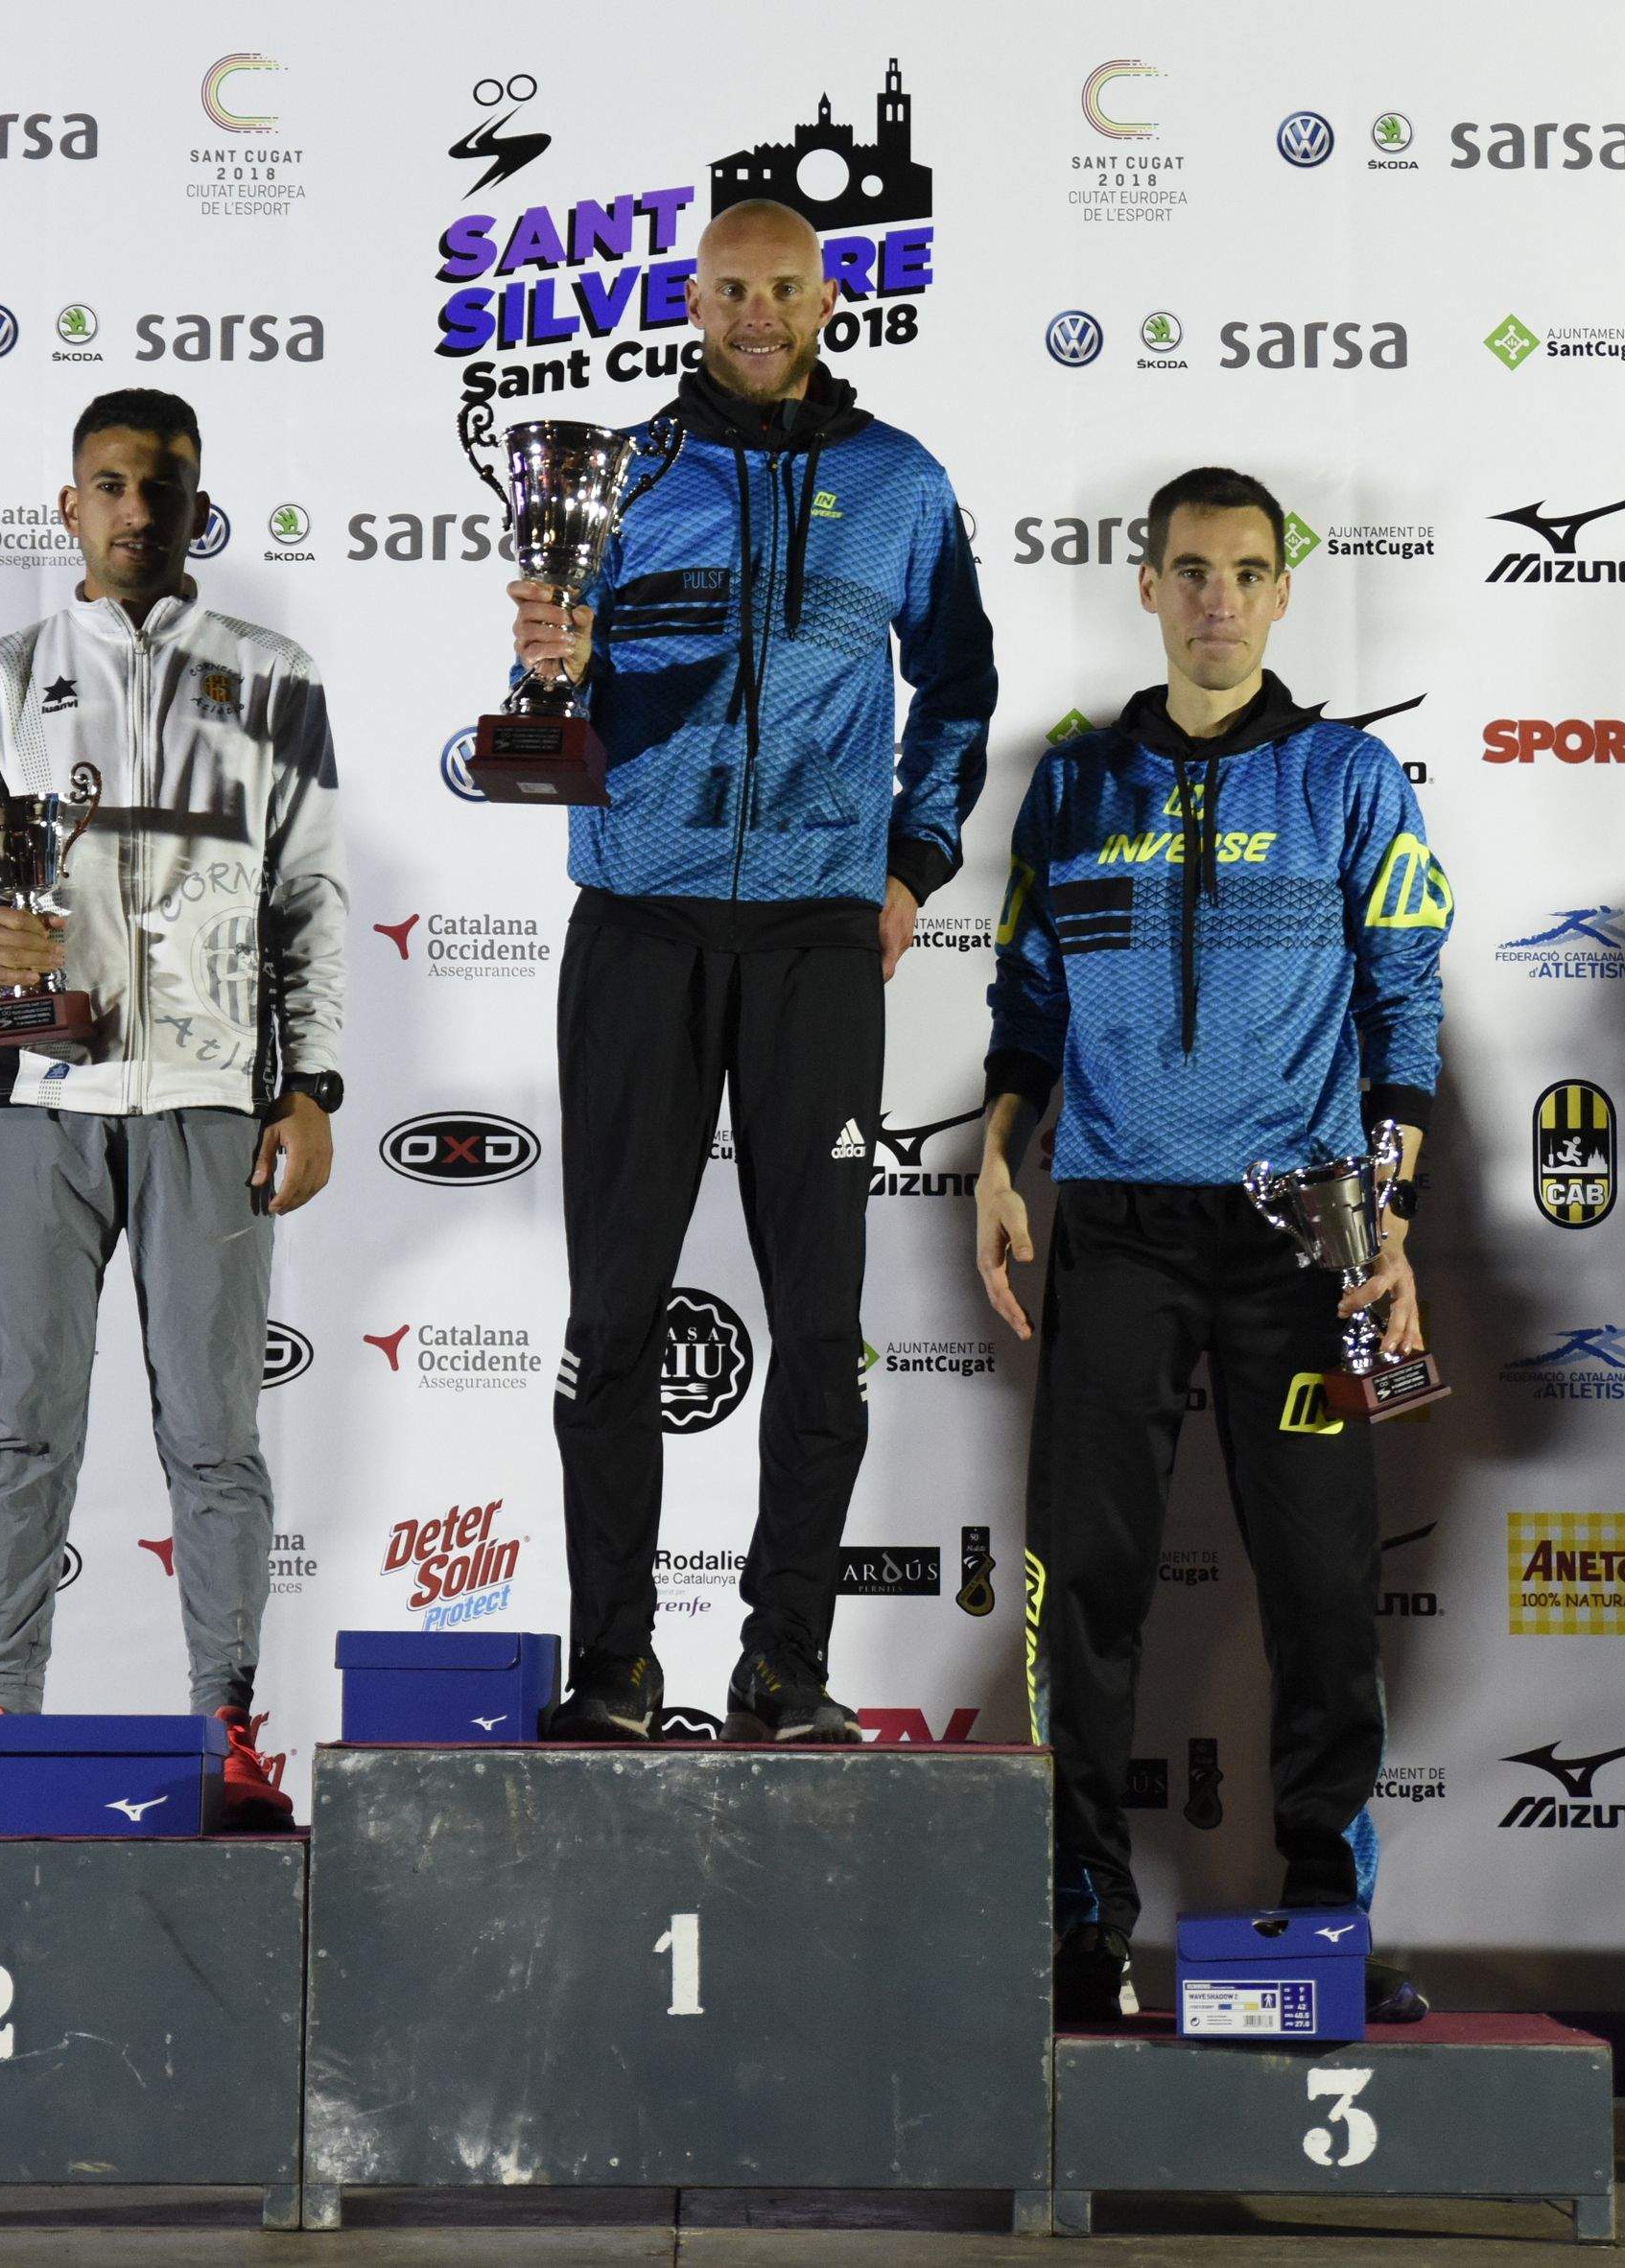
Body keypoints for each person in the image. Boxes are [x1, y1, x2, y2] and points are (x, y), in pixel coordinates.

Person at [506, 198, 995, 1742]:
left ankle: (786, 1660)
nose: (758, 312)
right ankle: (614, 1663)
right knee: (612, 1316)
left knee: (823, 1324)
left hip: (813, 939)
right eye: (731, 288)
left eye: (785, 286)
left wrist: (912, 863)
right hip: (638, 920)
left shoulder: (900, 481)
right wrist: (551, 672)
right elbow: (551, 710)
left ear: (830, 297)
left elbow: (962, 684)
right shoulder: (624, 472)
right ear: (695, 298)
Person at [973, 465, 1448, 2024]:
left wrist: (1389, 1216)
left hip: (1303, 1234)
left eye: (1247, 572)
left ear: (1284, 591)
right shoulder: (1075, 783)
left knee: (1320, 1584)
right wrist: (996, 1160)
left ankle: (1328, 1913)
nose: (1218, 600)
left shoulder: (1346, 780)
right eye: (1191, 570)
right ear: (1148, 585)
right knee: (1087, 1587)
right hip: (1115, 1222)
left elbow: (1405, 1005)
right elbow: (1027, 1002)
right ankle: (1081, 1924)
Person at [0, 386, 347, 1828]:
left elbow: (309, 899)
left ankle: (229, 1730)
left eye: (161, 487)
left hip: (212, 1098)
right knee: (25, 1424)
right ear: (70, 506)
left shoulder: (271, 676)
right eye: (110, 485)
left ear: (197, 506)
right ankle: (2, 1724)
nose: (136, 511)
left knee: (215, 1436)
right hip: (31, 1094)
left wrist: (311, 1086)